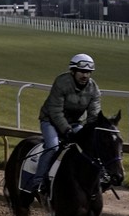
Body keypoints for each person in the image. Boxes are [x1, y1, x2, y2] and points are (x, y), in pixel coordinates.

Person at [30, 53, 102, 195]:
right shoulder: (61, 82)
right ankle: (38, 181)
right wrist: (67, 130)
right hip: (50, 120)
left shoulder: (94, 89)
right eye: (82, 72)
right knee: (53, 147)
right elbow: (55, 111)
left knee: (90, 147)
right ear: (73, 71)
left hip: (74, 123)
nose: (85, 76)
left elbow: (94, 116)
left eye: (88, 72)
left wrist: (91, 133)